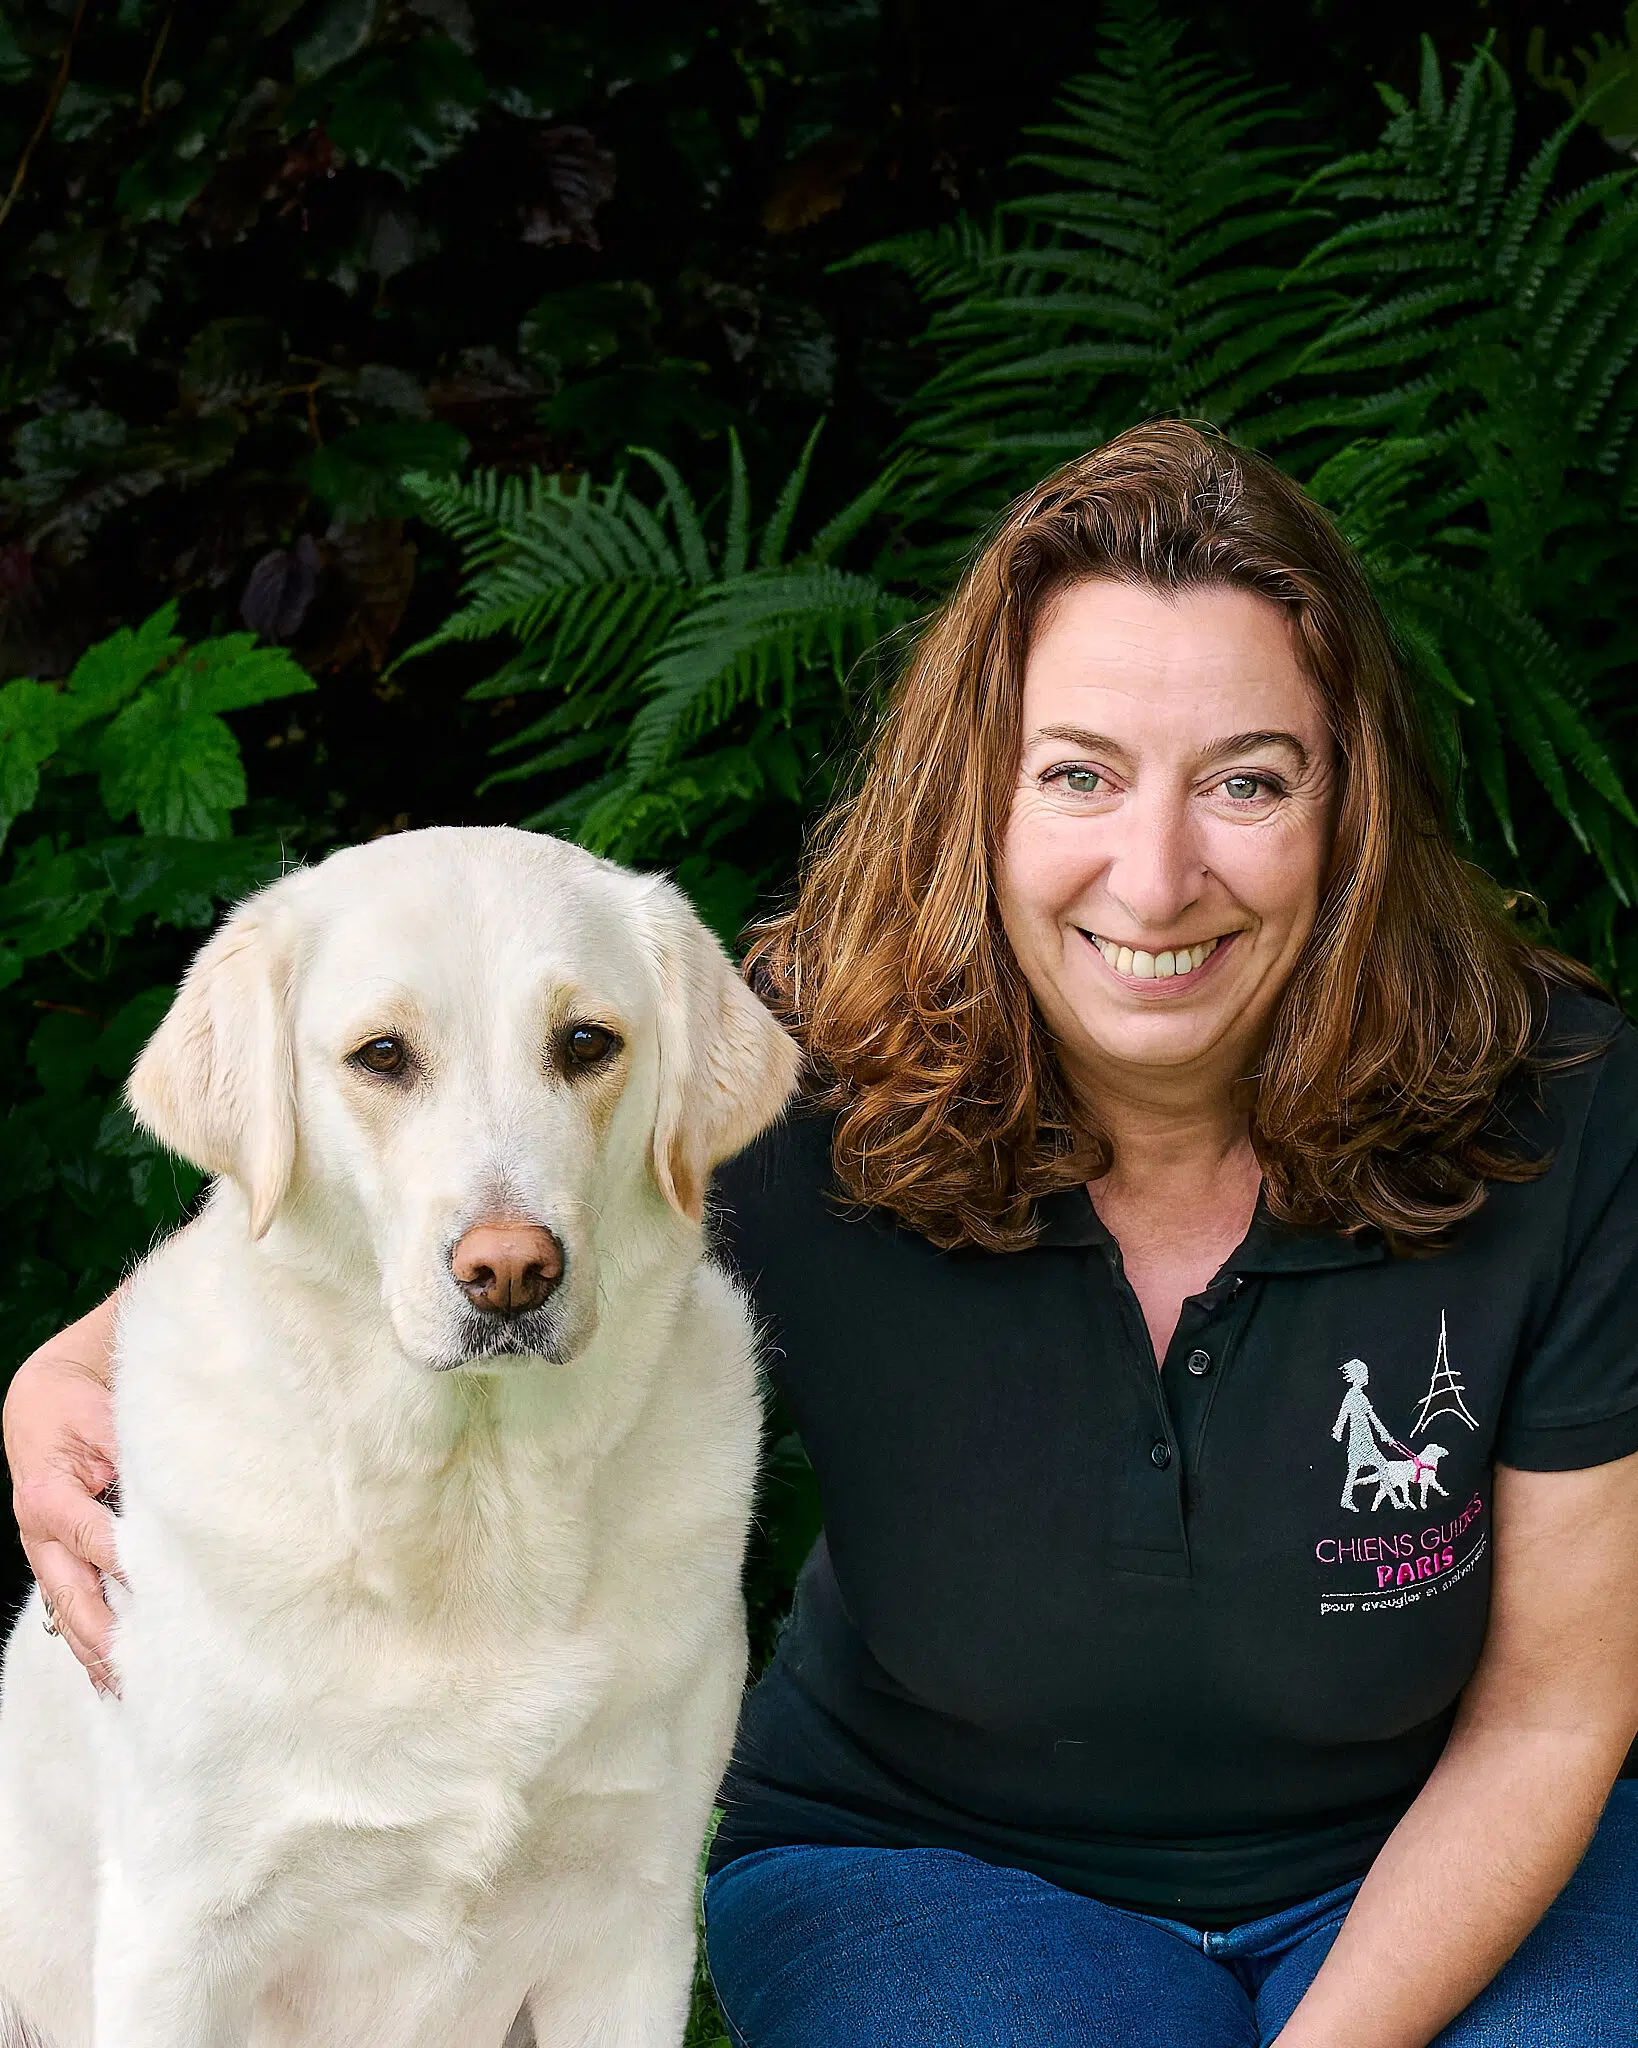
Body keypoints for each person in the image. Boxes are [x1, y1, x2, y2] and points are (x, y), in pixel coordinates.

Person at [8, 423, 1638, 2048]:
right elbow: (436, 1213)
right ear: (973, 798)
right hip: (931, 1869)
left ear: (1349, 803)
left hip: (1441, 1848)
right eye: (1075, 773)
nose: (1153, 877)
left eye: (1246, 781)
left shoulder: (1552, 1109)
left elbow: (1561, 1709)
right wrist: (57, 1381)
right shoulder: (813, 1081)